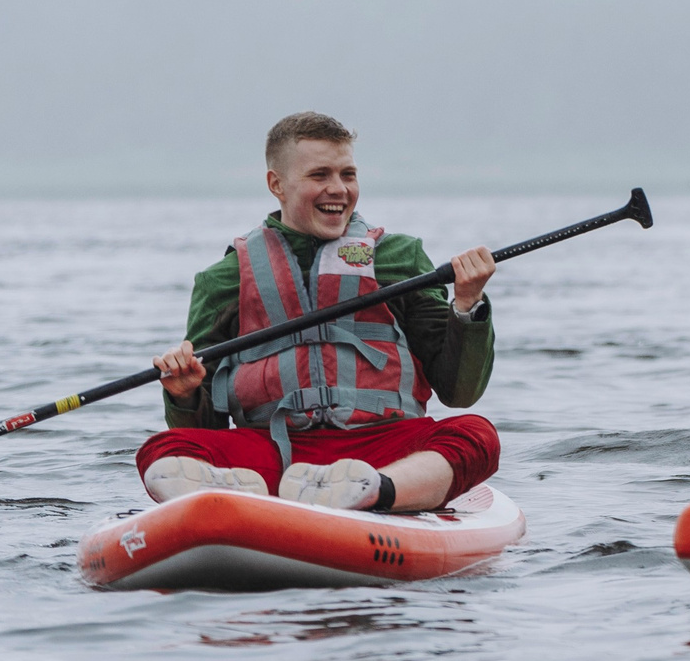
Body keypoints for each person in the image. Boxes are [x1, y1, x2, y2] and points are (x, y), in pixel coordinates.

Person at [139, 111, 503, 511]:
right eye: (320, 175)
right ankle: (249, 492)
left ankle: (374, 490)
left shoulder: (400, 258)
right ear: (276, 184)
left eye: (348, 175)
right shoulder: (224, 279)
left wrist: (467, 305)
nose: (339, 189)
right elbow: (207, 427)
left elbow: (459, 392)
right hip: (276, 450)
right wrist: (185, 394)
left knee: (476, 435)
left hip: (383, 447)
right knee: (162, 448)